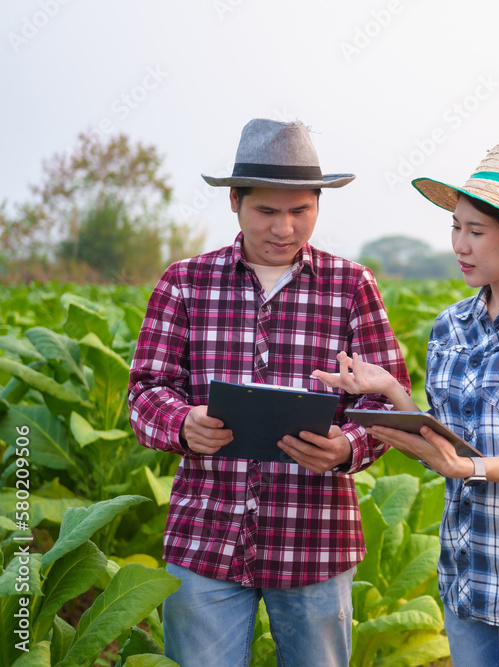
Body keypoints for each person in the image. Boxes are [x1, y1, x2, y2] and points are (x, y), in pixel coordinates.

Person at [127, 118, 410, 666]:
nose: (285, 228)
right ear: (235, 201)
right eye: (267, 211)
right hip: (206, 534)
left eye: (300, 211)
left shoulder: (352, 286)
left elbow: (383, 400)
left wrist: (348, 447)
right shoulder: (186, 283)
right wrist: (182, 422)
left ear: (317, 206)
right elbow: (145, 390)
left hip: (314, 536)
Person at [314, 144, 499, 666]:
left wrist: (470, 467)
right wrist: (391, 393)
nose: (460, 245)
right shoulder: (451, 325)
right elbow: (447, 436)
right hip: (466, 574)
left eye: (476, 231)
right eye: (455, 228)